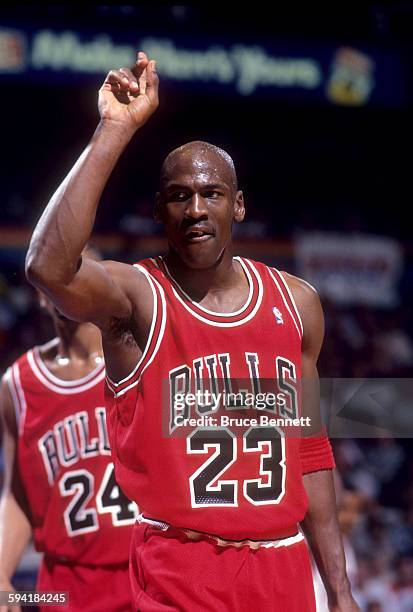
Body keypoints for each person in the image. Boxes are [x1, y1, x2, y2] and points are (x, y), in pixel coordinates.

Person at [25, 51, 359, 611]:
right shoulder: (137, 297)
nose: (196, 209)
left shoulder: (298, 304)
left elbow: (310, 451)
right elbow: (47, 266)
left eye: (212, 194)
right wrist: (113, 131)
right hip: (179, 566)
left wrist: (341, 591)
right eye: (179, 196)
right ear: (160, 211)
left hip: (284, 569)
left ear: (240, 206)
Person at [0, 271, 137, 612]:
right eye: (55, 274)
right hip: (63, 589)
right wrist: (1, 576)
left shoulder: (139, 363)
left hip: (144, 573)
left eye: (76, 273)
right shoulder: (17, 383)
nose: (67, 287)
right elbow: (17, 495)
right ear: (40, 293)